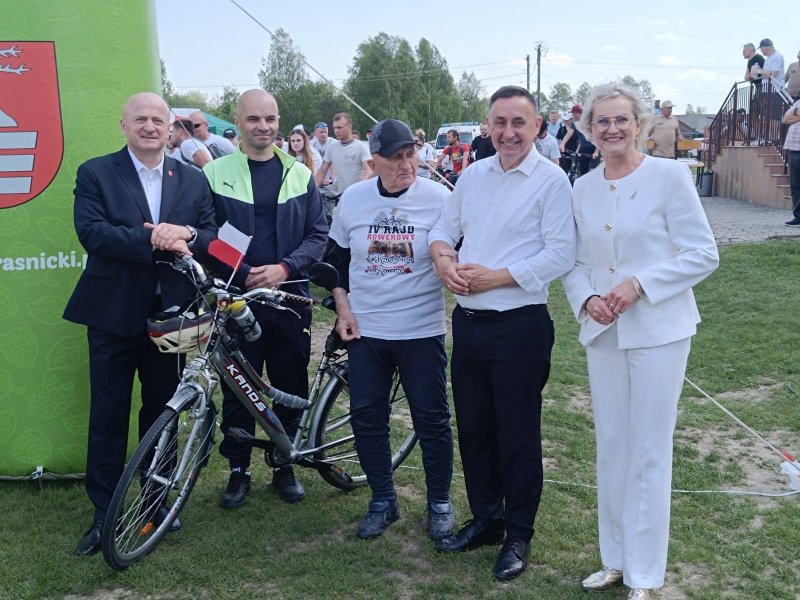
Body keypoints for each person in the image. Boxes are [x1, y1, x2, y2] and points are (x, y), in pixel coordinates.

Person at [562, 82, 719, 600]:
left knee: (649, 449)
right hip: (603, 330)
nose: (612, 129)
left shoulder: (669, 177)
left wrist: (639, 285)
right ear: (589, 128)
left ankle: (645, 575)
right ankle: (615, 559)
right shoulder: (582, 187)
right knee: (612, 444)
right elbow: (574, 261)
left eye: (621, 119)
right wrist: (587, 299)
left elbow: (703, 254)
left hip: (659, 330)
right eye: (602, 121)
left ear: (639, 124)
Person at [429, 85, 575, 581]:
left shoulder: (552, 181)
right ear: (488, 126)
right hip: (469, 324)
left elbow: (561, 253)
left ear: (537, 127)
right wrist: (443, 260)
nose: (508, 132)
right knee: (474, 429)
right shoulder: (473, 175)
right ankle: (487, 519)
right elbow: (442, 229)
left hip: (519, 327)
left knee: (516, 434)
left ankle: (518, 533)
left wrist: (496, 277)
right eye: (500, 122)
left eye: (519, 123)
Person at [64, 92, 217, 556]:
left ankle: (155, 503)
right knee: (108, 414)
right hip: (112, 314)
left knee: (162, 412)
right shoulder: (96, 172)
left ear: (170, 128)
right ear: (124, 125)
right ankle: (104, 514)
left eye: (157, 120)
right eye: (140, 119)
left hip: (171, 319)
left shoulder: (192, 179)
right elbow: (92, 233)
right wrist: (153, 238)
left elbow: (209, 234)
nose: (150, 127)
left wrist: (187, 233)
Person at [326, 118, 455, 542]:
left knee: (431, 419)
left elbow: (461, 250)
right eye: (396, 158)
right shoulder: (354, 199)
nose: (406, 165)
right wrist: (342, 307)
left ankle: (439, 502)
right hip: (367, 331)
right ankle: (383, 499)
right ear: (375, 160)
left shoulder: (439, 199)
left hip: (420, 329)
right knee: (367, 417)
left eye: (410, 154)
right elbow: (336, 259)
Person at [202, 89, 328, 509]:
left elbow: (318, 235)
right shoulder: (214, 172)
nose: (263, 127)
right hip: (237, 297)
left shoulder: (299, 173)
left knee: (290, 381)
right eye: (254, 119)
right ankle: (238, 470)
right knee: (239, 385)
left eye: (270, 119)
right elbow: (205, 233)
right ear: (237, 122)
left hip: (288, 297)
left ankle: (283, 463)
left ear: (279, 123)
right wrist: (241, 273)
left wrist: (284, 268)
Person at [314, 112, 372, 195]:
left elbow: (369, 170)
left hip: (359, 194)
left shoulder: (361, 147)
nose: (336, 131)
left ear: (349, 126)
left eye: (339, 127)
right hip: (340, 195)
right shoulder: (332, 147)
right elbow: (322, 170)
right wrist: (314, 191)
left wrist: (358, 188)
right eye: (334, 128)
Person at [782, 97, 800, 226]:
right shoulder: (798, 102)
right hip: (794, 150)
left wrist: (796, 114)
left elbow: (791, 118)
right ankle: (798, 216)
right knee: (795, 185)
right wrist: (796, 112)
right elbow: (786, 119)